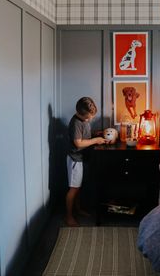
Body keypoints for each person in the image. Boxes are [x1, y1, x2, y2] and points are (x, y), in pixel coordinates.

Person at [66, 97, 107, 226]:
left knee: (78, 187)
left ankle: (77, 210)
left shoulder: (83, 120)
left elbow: (85, 135)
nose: (90, 119)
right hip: (74, 160)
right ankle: (68, 217)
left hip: (80, 159)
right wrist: (95, 141)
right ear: (80, 113)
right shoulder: (76, 123)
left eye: (91, 117)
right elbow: (78, 143)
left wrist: (96, 134)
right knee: (73, 188)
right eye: (88, 118)